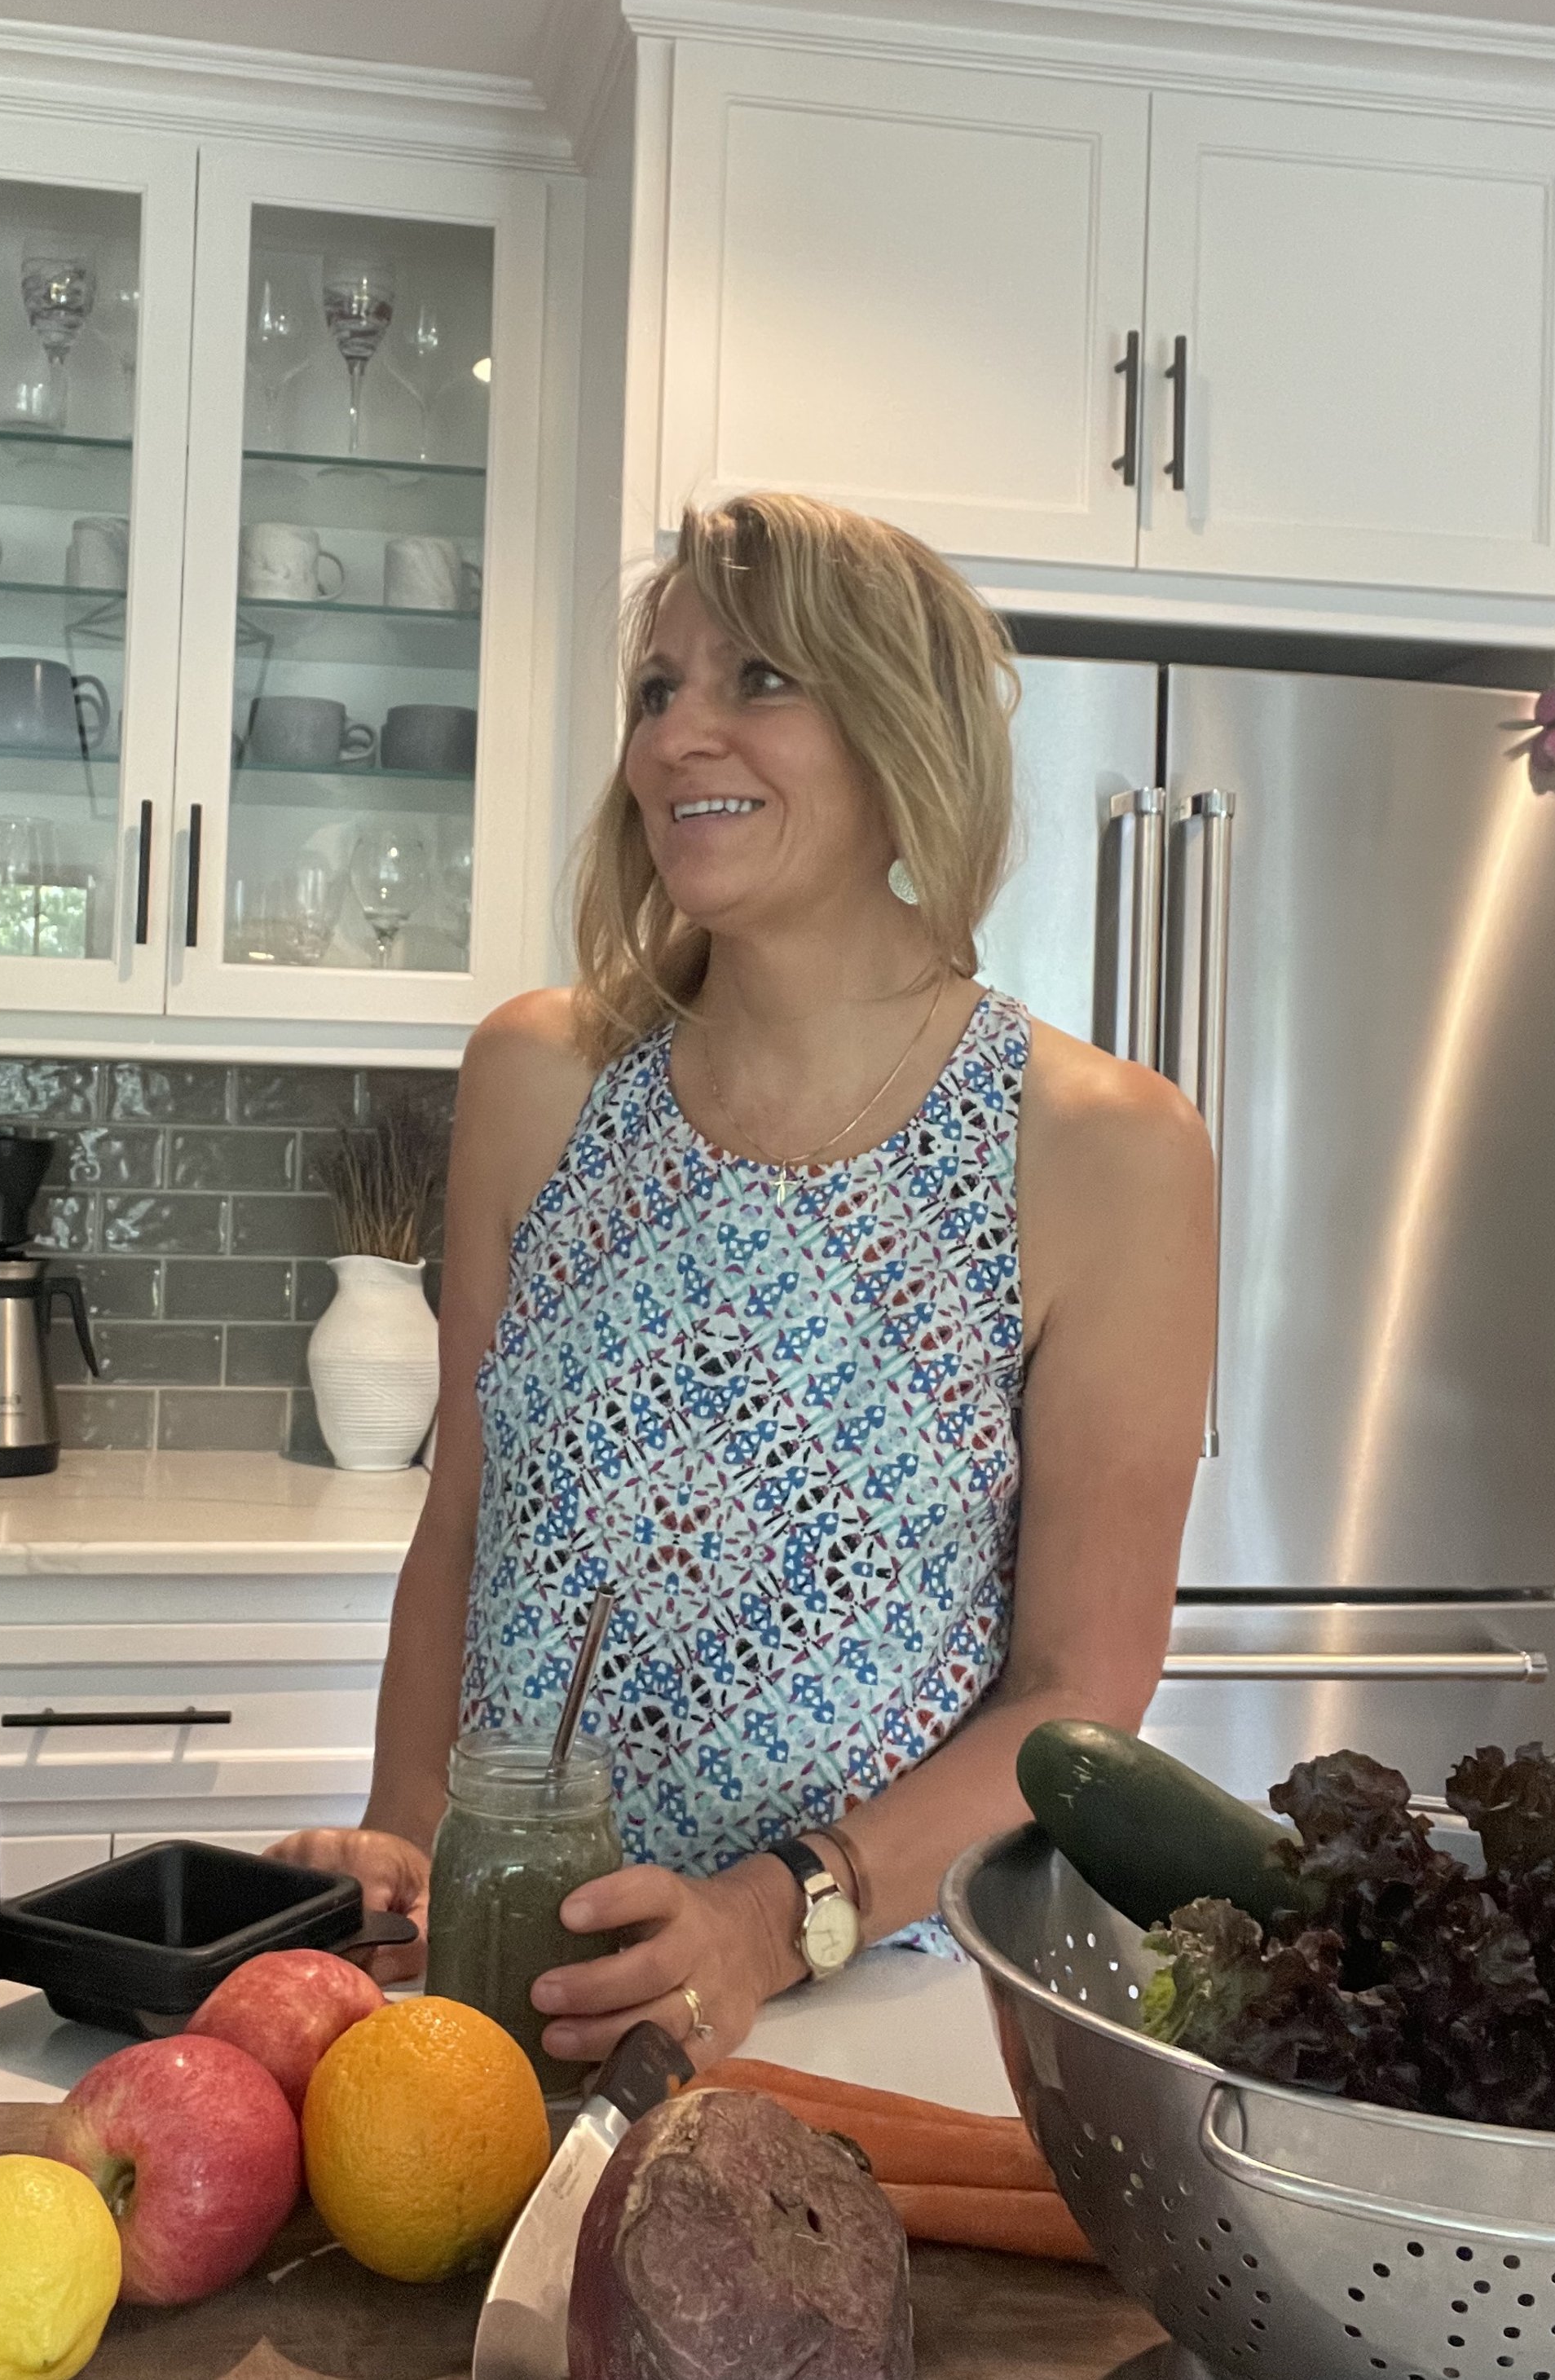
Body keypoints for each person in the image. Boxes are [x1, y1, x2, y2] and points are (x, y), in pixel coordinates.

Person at [271, 489, 1215, 2071]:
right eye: (657, 689)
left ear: (899, 730)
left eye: (756, 678)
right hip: (524, 1975)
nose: (673, 738)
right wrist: (404, 1838)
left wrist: (772, 1918)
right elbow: (467, 1518)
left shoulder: (1099, 1145)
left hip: (879, 1998)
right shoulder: (540, 1075)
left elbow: (1077, 1695)